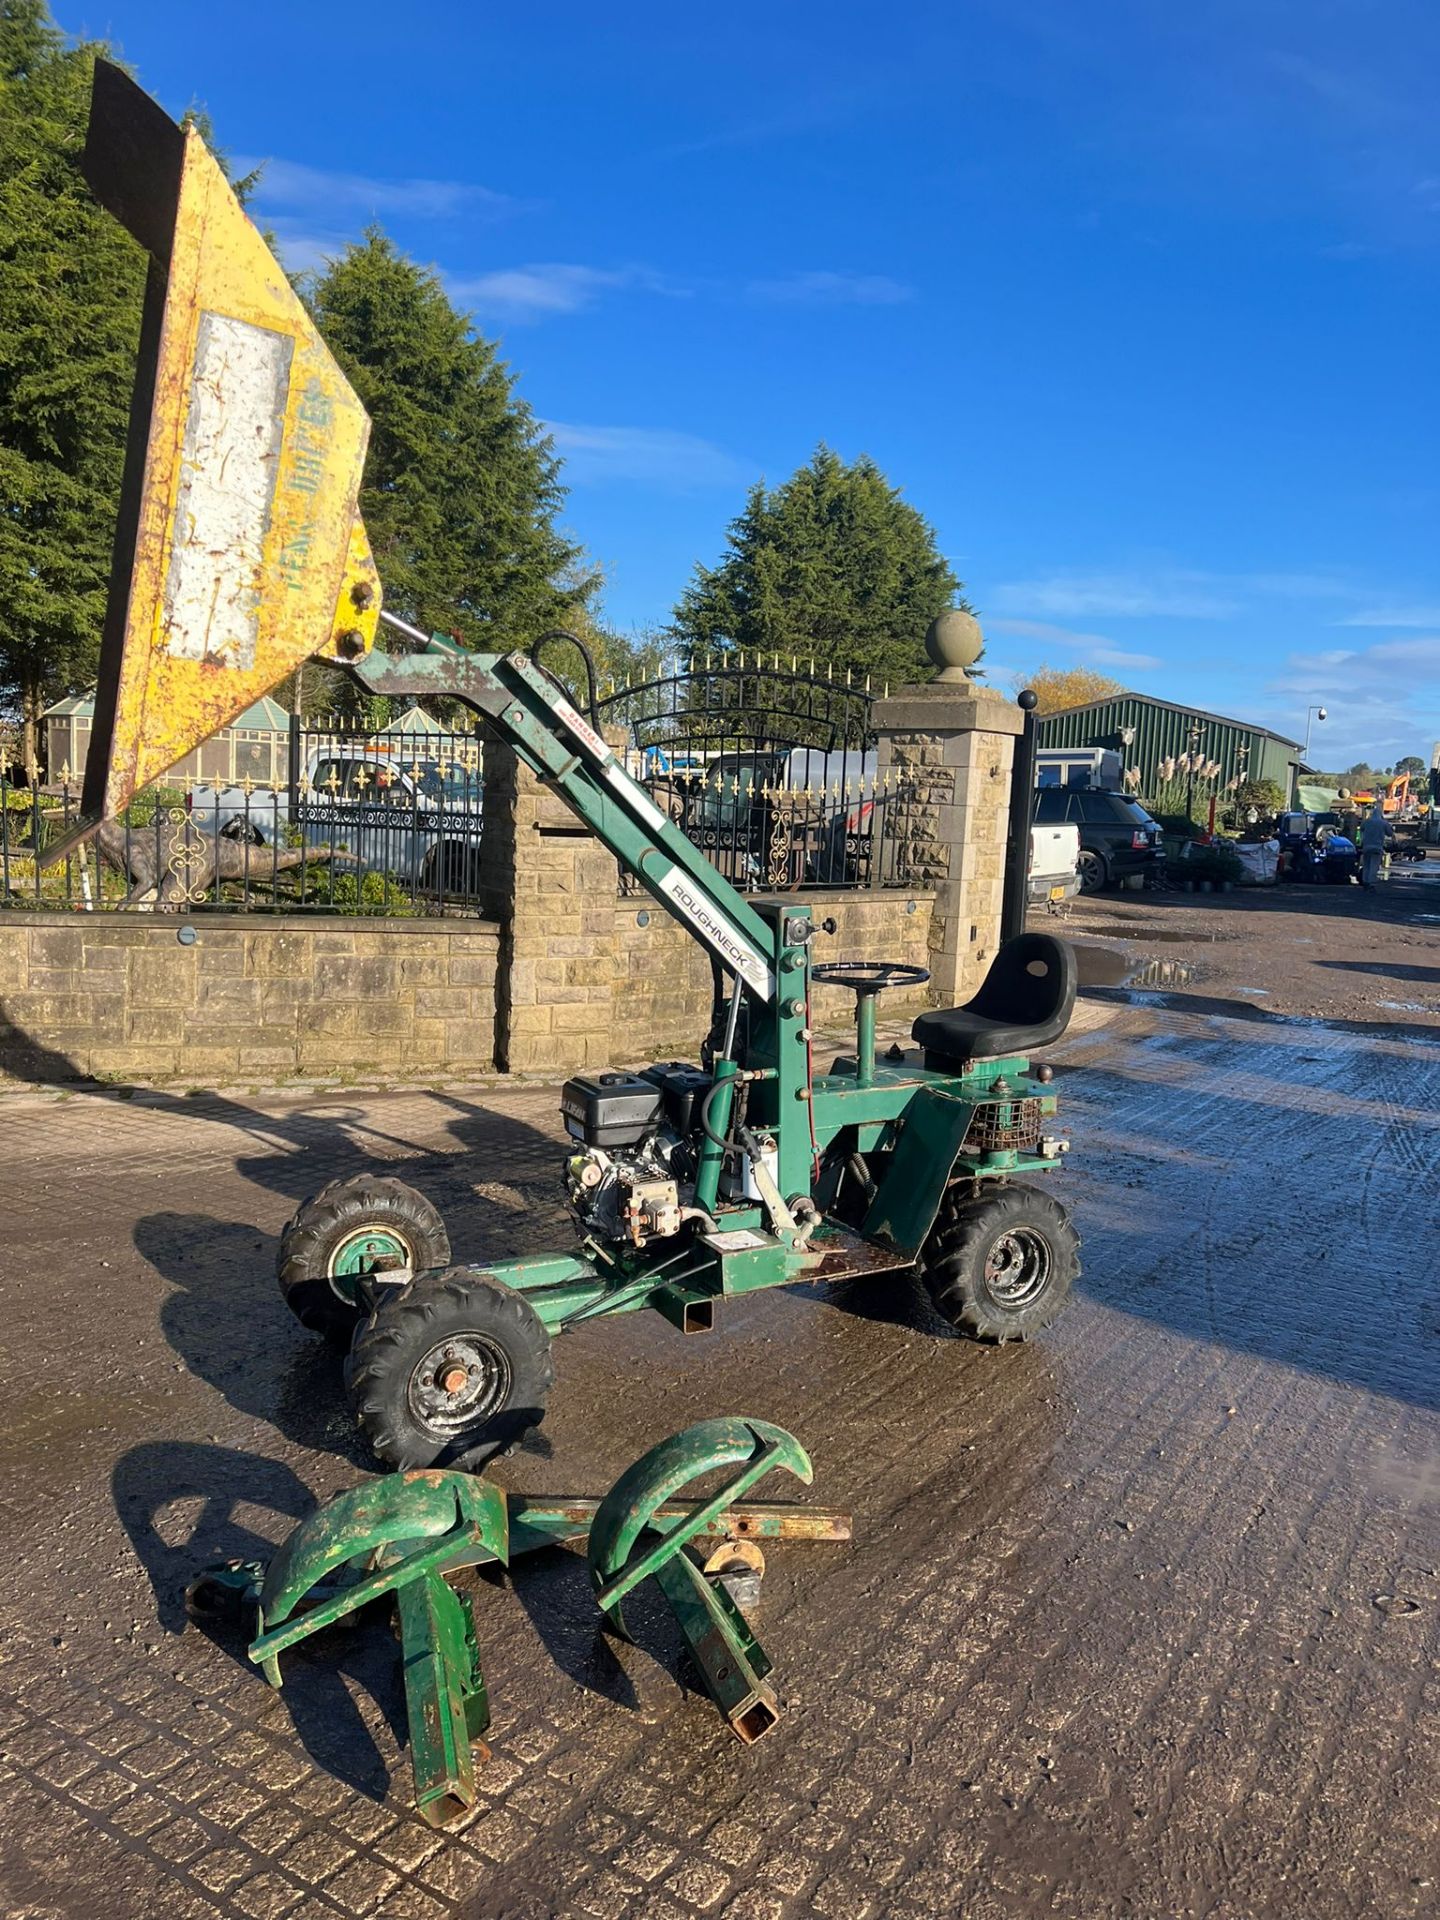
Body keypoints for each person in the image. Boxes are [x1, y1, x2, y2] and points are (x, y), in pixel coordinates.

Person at [1360, 801, 1388, 887]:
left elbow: (1361, 829)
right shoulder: (1383, 823)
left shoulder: (1367, 822)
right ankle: (1371, 882)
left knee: (1366, 864)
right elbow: (1390, 833)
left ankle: (1365, 880)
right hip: (1377, 847)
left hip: (1366, 846)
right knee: (1374, 865)